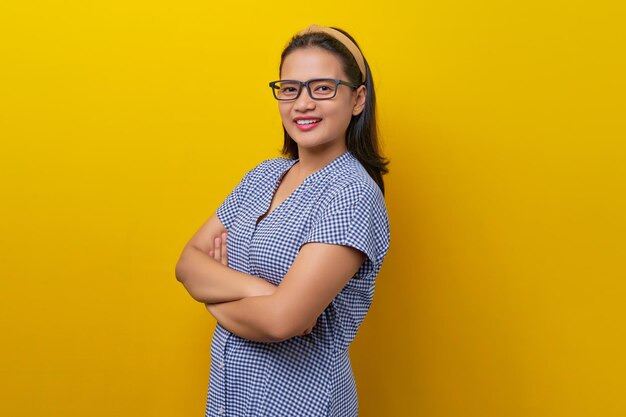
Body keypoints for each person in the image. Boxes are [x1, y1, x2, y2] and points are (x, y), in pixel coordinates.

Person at [175, 23, 391, 417]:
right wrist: (263, 293)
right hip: (230, 399)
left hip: (302, 404)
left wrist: (213, 296)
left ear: (357, 99)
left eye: (322, 88)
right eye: (290, 88)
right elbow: (188, 262)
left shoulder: (352, 194)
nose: (302, 103)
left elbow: (281, 322)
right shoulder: (263, 175)